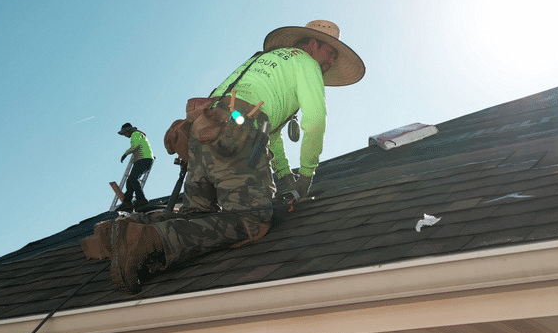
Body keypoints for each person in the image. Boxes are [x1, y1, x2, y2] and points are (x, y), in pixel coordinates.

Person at [83, 20, 365, 294]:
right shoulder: (306, 63)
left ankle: (115, 233)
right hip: (237, 134)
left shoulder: (266, 60)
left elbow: (271, 134)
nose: (329, 64)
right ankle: (147, 242)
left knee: (197, 216)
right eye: (330, 55)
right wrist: (306, 175)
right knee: (250, 220)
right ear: (314, 44)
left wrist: (284, 176)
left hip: (204, 130)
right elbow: (315, 120)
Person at [117, 123, 154, 211]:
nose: (125, 135)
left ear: (128, 131)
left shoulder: (135, 134)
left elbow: (135, 146)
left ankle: (141, 199)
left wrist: (125, 154)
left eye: (125, 133)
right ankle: (127, 202)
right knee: (130, 180)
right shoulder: (137, 134)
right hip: (143, 159)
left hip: (144, 159)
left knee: (133, 179)